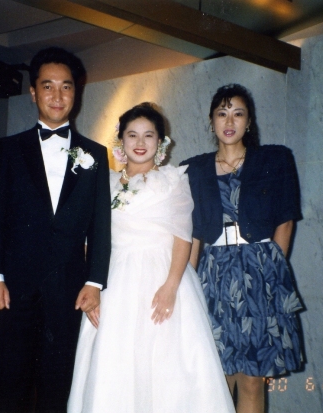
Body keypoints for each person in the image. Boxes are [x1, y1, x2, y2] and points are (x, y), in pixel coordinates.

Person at [68, 103, 235, 413]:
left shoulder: (173, 180)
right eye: (132, 135)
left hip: (163, 278)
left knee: (165, 367)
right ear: (121, 139)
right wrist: (93, 287)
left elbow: (182, 237)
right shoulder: (105, 183)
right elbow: (93, 239)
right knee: (115, 363)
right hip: (115, 281)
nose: (140, 142)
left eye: (148, 135)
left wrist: (171, 286)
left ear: (160, 141)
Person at [0, 47, 112, 413]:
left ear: (76, 93)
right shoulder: (10, 149)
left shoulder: (95, 154)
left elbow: (100, 225)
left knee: (58, 389)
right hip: (13, 288)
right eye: (48, 86)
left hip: (68, 290)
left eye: (66, 87)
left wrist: (95, 282)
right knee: (10, 389)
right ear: (33, 92)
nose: (57, 95)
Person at [181, 84, 304, 413]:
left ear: (249, 122)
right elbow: (192, 232)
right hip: (213, 276)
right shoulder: (193, 169)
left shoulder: (274, 159)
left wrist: (270, 272)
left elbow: (286, 220)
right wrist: (187, 285)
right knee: (216, 377)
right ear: (211, 121)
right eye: (222, 113)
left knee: (252, 378)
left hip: (259, 273)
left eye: (238, 113)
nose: (229, 121)